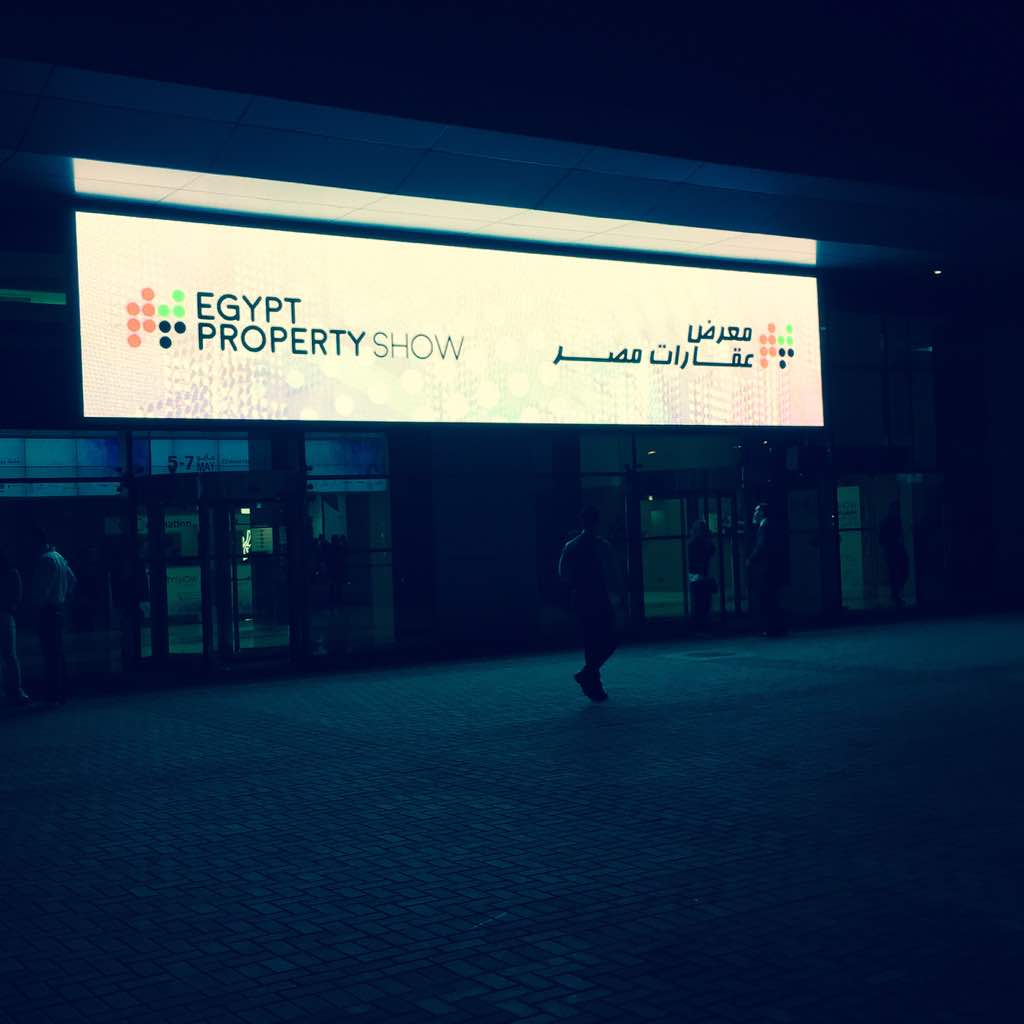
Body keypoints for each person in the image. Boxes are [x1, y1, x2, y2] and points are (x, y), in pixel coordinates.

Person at [558, 506, 617, 701]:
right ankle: (589, 675)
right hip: (599, 597)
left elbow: (563, 575)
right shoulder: (602, 546)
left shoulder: (571, 546)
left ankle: (592, 682)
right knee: (610, 639)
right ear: (597, 522)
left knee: (590, 641)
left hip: (581, 598)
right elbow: (611, 573)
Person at [31, 528, 76, 706]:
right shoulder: (59, 557)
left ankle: (53, 693)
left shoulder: (45, 560)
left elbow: (43, 589)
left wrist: (38, 606)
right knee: (58, 652)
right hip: (59, 608)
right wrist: (63, 596)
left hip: (48, 610)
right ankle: (62, 691)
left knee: (50, 653)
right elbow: (72, 580)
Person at [746, 502, 785, 636]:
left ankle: (771, 627)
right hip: (771, 568)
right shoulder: (769, 526)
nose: (754, 514)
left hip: (767, 569)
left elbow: (761, 546)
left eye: (756, 511)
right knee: (772, 598)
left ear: (762, 513)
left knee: (767, 597)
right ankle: (775, 627)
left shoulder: (764, 527)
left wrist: (751, 559)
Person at [0, 550, 30, 707]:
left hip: (4, 613)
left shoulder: (11, 573)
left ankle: (11, 691)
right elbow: (18, 594)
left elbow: (17, 594)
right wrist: (12, 606)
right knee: (10, 655)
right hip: (5, 614)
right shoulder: (12, 573)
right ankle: (16, 690)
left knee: (10, 655)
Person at [687, 520, 717, 635]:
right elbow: (711, 552)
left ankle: (698, 625)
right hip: (700, 574)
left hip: (697, 575)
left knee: (700, 601)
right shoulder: (699, 542)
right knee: (702, 601)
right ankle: (700, 625)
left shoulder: (694, 542)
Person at [879, 500, 909, 606]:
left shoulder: (893, 521)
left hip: (893, 549)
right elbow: (882, 538)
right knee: (897, 572)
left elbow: (881, 539)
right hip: (892, 549)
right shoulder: (891, 522)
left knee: (896, 572)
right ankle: (896, 593)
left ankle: (895, 593)